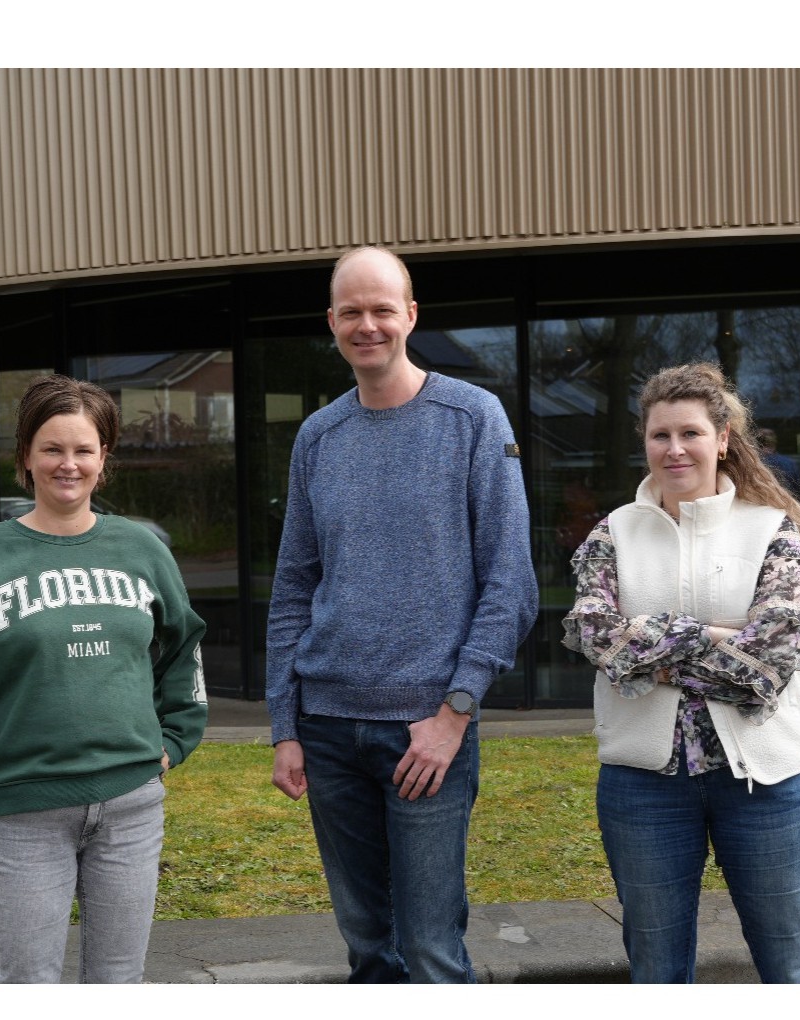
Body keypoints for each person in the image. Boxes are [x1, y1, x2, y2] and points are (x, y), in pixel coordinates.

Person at [265, 245, 538, 983]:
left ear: (411, 315)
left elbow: (510, 583)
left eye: (383, 309)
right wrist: (286, 725)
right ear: (332, 322)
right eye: (351, 311)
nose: (368, 325)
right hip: (328, 732)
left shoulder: (473, 419)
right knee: (367, 946)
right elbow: (294, 586)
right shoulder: (319, 436)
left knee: (430, 949)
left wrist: (453, 714)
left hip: (428, 731)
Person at [0, 374, 208, 983]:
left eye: (84, 450)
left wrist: (178, 736)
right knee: (30, 986)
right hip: (24, 811)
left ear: (105, 459)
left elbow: (183, 645)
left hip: (131, 807)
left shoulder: (142, 550)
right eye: (52, 448)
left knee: (118, 983)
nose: (68, 464)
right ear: (25, 456)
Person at [562, 362, 800, 984]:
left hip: (767, 782)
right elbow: (595, 637)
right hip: (644, 787)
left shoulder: (774, 533)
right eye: (660, 435)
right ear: (645, 442)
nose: (675, 448)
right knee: (657, 970)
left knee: (791, 963)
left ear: (723, 439)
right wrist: (717, 637)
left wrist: (656, 638)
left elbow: (770, 665)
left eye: (690, 433)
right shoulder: (612, 534)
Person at [756, 427, 800, 498]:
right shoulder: (789, 463)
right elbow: (798, 489)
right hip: (787, 504)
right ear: (775, 441)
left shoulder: (751, 464)